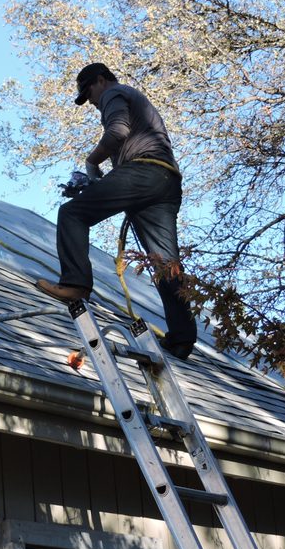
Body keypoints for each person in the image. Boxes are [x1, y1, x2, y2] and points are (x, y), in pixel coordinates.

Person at [35, 62, 198, 360]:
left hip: (144, 171)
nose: (92, 102)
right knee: (164, 264)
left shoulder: (114, 93)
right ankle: (182, 339)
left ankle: (75, 285)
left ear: (100, 80)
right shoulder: (132, 99)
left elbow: (117, 131)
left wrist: (91, 163)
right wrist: (96, 182)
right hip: (165, 180)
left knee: (72, 214)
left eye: (89, 93)